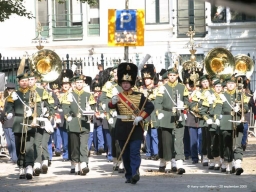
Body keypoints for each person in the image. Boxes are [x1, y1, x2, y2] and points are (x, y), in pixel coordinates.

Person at [108, 62, 154, 184]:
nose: (125, 84)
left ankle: (135, 173)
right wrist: (112, 102)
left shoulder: (139, 96)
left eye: (128, 83)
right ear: (121, 84)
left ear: (131, 83)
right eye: (123, 83)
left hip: (135, 126)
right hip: (122, 126)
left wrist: (141, 117)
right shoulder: (118, 96)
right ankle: (129, 175)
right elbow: (110, 106)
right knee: (125, 154)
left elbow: (150, 107)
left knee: (134, 152)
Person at [155, 67, 189, 174]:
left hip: (178, 116)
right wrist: (158, 112)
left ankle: (179, 165)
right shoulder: (162, 88)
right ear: (168, 76)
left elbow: (187, 101)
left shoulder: (182, 87)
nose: (172, 77)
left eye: (174, 75)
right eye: (170, 75)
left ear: (177, 76)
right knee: (167, 141)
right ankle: (168, 163)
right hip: (166, 115)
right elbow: (158, 103)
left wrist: (184, 106)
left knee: (179, 140)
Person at [214, 76, 249, 175]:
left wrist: (241, 108)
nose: (230, 85)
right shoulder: (221, 95)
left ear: (235, 85)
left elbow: (246, 106)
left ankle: (238, 164)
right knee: (227, 144)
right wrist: (217, 118)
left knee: (238, 143)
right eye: (229, 84)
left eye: (232, 84)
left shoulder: (240, 94)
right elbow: (218, 108)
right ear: (226, 85)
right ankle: (228, 162)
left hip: (238, 120)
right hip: (226, 120)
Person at [62, 74, 96, 175]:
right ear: (74, 84)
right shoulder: (69, 94)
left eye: (81, 82)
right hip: (73, 123)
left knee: (84, 145)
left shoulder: (88, 94)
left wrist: (90, 110)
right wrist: (67, 115)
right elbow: (65, 107)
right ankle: (76, 165)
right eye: (77, 83)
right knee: (75, 146)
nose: (79, 84)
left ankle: (84, 164)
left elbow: (93, 107)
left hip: (84, 123)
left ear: (84, 83)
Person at [5, 73, 35, 179]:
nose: (24, 82)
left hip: (30, 121)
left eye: (26, 80)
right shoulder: (14, 94)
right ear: (19, 82)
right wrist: (8, 112)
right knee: (19, 146)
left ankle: (29, 166)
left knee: (29, 146)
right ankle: (21, 166)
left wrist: (35, 113)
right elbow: (8, 105)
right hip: (18, 122)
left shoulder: (33, 93)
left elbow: (38, 106)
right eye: (22, 81)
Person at [140, 64, 159, 160]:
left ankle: (155, 152)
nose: (146, 80)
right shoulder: (142, 90)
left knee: (154, 134)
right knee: (147, 134)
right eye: (145, 79)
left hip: (154, 115)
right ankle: (148, 152)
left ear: (152, 79)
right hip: (146, 115)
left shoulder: (157, 89)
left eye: (148, 78)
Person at [0, 83, 18, 163]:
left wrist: (1, 117)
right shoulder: (14, 98)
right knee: (10, 140)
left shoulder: (10, 99)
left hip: (9, 121)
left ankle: (14, 157)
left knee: (11, 140)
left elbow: (5, 111)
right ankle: (13, 157)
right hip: (9, 121)